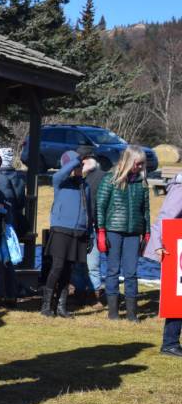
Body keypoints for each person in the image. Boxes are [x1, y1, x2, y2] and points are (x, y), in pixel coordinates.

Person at [96, 145, 150, 322]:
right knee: (112, 270)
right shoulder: (110, 179)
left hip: (134, 232)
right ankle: (113, 313)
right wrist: (101, 231)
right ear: (129, 161)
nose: (141, 167)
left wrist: (147, 233)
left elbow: (146, 210)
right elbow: (101, 207)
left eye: (142, 164)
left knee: (131, 272)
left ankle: (132, 314)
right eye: (138, 163)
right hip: (113, 230)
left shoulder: (141, 182)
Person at [42, 150, 93, 318]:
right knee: (57, 267)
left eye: (81, 166)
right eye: (77, 166)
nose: (80, 169)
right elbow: (59, 175)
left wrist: (90, 233)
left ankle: (61, 307)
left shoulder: (85, 186)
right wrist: (76, 160)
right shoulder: (60, 182)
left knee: (68, 271)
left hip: (78, 231)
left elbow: (90, 212)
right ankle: (46, 306)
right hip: (61, 230)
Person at [143, 172, 182, 356]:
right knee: (179, 297)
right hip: (178, 247)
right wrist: (158, 244)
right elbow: (166, 217)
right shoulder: (180, 187)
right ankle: (170, 343)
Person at [71, 145, 105, 301]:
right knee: (83, 263)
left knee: (90, 263)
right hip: (84, 224)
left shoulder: (100, 177)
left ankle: (92, 291)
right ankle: (85, 291)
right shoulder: (79, 179)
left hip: (92, 225)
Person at [0, 147, 26, 304]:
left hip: (3, 223)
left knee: (2, 257)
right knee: (9, 257)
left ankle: (1, 292)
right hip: (13, 221)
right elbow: (20, 201)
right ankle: (10, 292)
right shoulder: (18, 177)